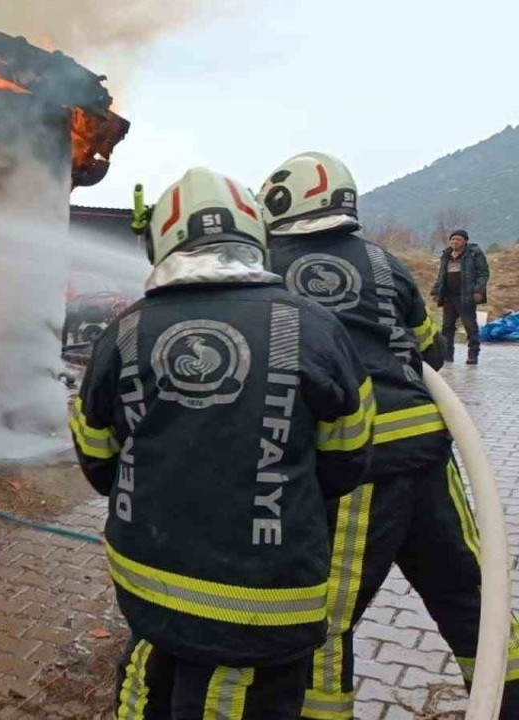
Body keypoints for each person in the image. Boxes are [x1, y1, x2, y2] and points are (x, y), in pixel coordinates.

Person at [72, 167, 374, 719]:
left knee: (146, 695)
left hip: (151, 590)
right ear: (256, 233)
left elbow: (97, 457)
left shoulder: (124, 331)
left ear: (159, 240)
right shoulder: (318, 327)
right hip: (266, 602)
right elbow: (348, 458)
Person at [258, 152, 519, 720]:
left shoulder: (266, 266)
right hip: (430, 452)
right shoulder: (383, 261)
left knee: (327, 617)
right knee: (470, 594)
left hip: (357, 464)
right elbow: (431, 350)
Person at [432, 229, 490, 364]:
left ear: (465, 241)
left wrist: (478, 291)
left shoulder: (474, 253)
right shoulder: (446, 255)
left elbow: (483, 274)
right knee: (447, 327)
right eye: (453, 239)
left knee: (470, 326)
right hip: (448, 296)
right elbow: (441, 275)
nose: (455, 241)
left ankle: (473, 355)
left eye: (458, 239)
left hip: (466, 296)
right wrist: (436, 291)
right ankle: (447, 356)